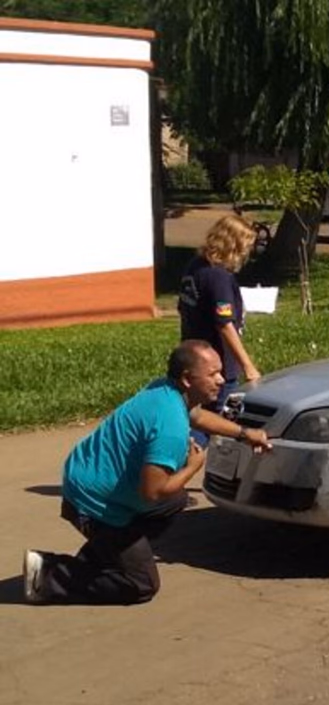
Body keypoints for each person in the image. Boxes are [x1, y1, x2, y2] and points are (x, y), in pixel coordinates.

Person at [22, 340, 273, 606]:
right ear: (188, 379)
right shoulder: (170, 426)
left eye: (220, 371)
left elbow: (197, 417)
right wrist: (192, 467)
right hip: (91, 502)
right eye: (212, 374)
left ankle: (105, 554)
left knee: (176, 500)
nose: (222, 380)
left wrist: (245, 434)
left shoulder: (166, 390)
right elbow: (152, 491)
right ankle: (48, 574)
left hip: (88, 477)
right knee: (141, 584)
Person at [178, 213, 262, 435]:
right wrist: (247, 365)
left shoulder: (194, 267)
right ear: (233, 244)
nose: (248, 253)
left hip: (193, 358)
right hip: (217, 364)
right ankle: (190, 463)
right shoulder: (219, 277)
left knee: (193, 414)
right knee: (211, 423)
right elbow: (224, 324)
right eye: (246, 246)